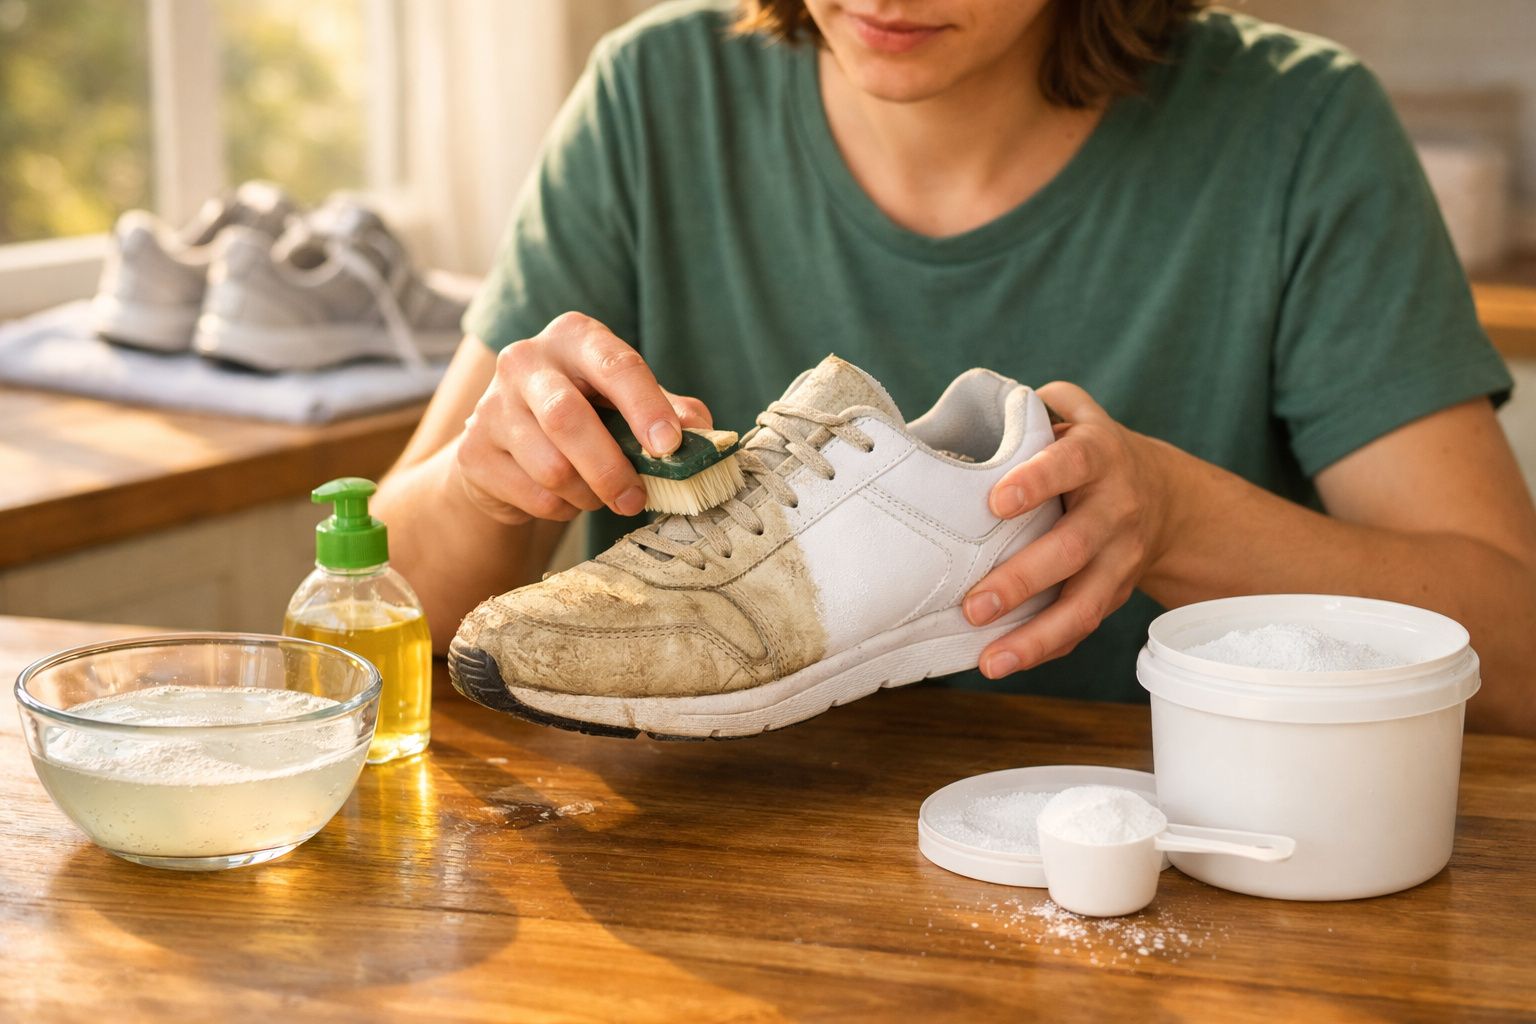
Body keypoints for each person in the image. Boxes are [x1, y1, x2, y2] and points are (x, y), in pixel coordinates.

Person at [372, 0, 1536, 735]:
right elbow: (371, 609)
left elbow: (1518, 653)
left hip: (1166, 869)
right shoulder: (650, 101)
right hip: (691, 861)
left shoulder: (1299, 131)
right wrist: (485, 487)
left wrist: (1175, 521)